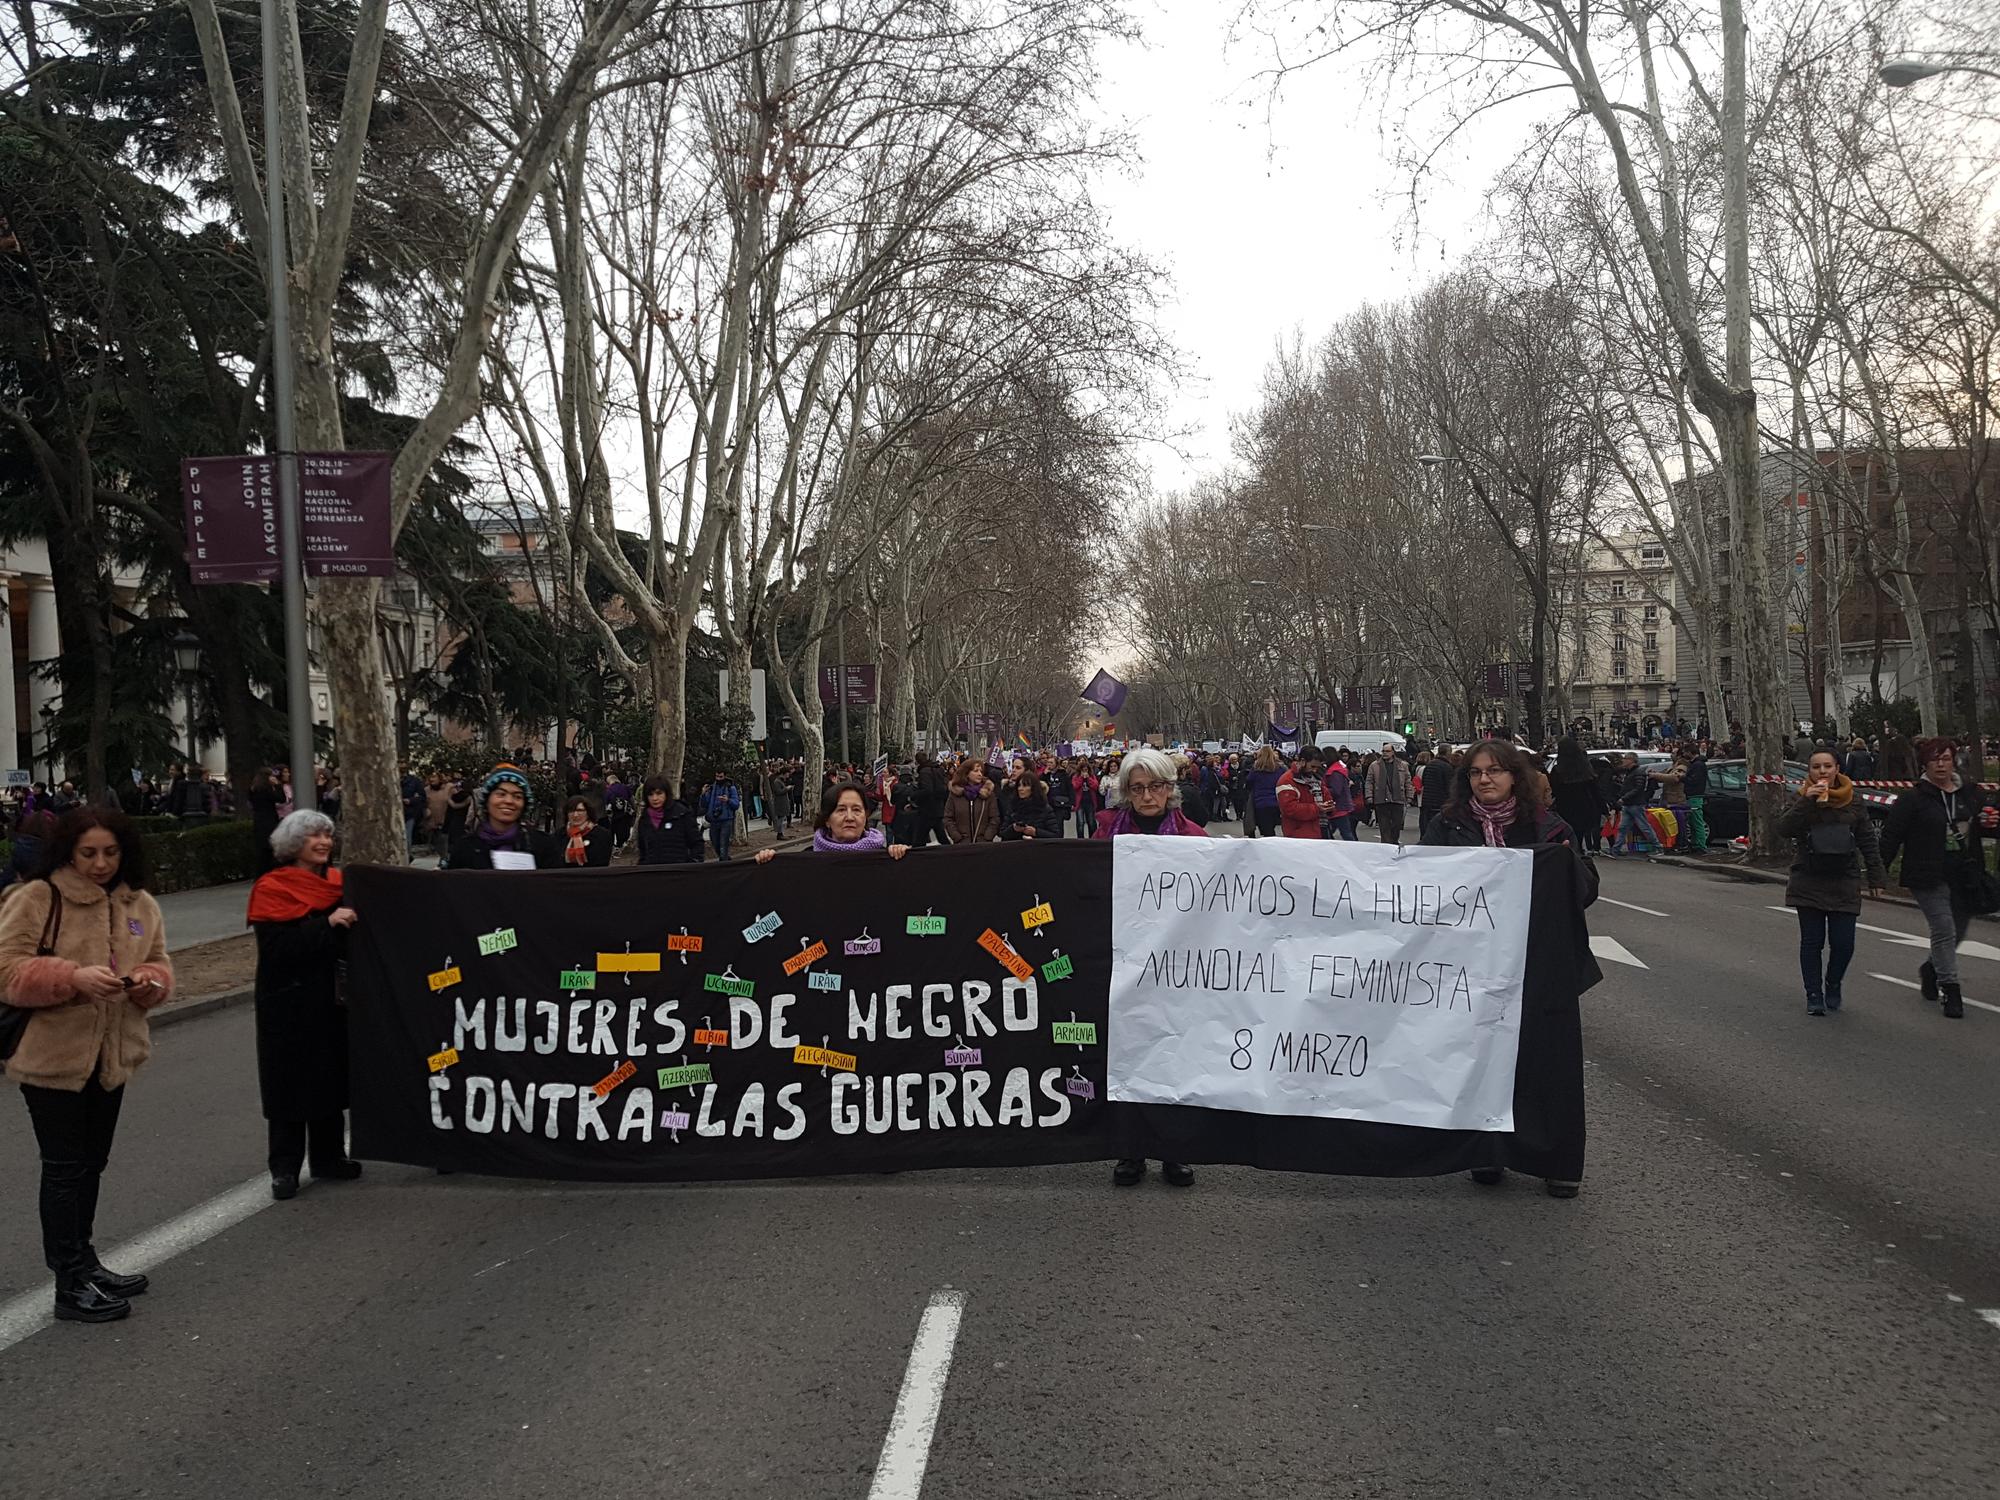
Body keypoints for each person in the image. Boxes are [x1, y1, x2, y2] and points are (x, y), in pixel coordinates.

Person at [0, 808, 173, 1323]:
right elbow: (6, 971)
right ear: (68, 853)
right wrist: (71, 977)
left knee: (90, 1164)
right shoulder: (37, 897)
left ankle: (86, 1261)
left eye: (111, 852)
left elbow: (161, 962)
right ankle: (68, 1282)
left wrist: (149, 981)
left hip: (111, 1056)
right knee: (64, 1168)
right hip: (51, 1057)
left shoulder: (139, 903)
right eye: (88, 853)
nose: (100, 864)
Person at [1421, 739, 1597, 1199]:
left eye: (1495, 771)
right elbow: (1421, 886)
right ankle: (1486, 1151)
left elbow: (1587, 888)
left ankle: (1556, 1161)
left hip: (1538, 965)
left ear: (1514, 776)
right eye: (1477, 772)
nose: (1485, 779)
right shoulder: (1447, 826)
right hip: (1472, 968)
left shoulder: (1547, 826)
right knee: (1479, 1061)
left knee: (1545, 1063)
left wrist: (1559, 866)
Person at [1091, 748, 1201, 1188]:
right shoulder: (1105, 837)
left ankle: (1175, 1151)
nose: (1147, 795)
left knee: (1174, 1055)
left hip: (1176, 969)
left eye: (1155, 786)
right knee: (1128, 1058)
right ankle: (1131, 1150)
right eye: (1137, 788)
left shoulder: (1195, 839)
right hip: (1123, 966)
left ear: (1169, 789)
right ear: (1126, 793)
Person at [248, 810, 364, 1200]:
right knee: (289, 1084)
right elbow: (279, 949)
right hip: (288, 1001)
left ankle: (329, 1157)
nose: (324, 842)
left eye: (327, 836)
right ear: (293, 843)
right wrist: (327, 925)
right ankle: (284, 1167)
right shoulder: (272, 888)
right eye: (314, 835)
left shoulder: (338, 884)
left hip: (331, 997)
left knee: (329, 1076)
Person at [1880, 737, 1998, 1020]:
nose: (1941, 765)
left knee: (1957, 931)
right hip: (1927, 874)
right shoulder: (1913, 799)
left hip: (1965, 873)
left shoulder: (1971, 793)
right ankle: (1951, 989)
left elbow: (1984, 826)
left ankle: (1931, 968)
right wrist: (1878, 873)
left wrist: (1990, 823)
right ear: (1925, 764)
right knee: (1943, 928)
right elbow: (1891, 836)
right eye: (1935, 760)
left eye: (1946, 758)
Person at [1781, 750, 1887, 1017]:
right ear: (1810, 770)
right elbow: (1783, 828)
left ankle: (1834, 981)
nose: (1822, 771)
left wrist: (1876, 875)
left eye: (1828, 766)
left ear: (1838, 768)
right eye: (1816, 766)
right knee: (1812, 942)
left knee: (1843, 944)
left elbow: (1867, 840)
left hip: (1844, 878)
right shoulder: (1800, 797)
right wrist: (1807, 802)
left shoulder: (1854, 800)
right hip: (1809, 877)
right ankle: (1813, 994)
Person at [756, 780, 914, 862]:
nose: (850, 817)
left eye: (857, 810)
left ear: (865, 816)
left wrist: (903, 859)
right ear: (827, 820)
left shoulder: (885, 857)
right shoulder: (806, 861)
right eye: (841, 810)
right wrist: (768, 865)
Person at [447, 766, 560, 869]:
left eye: (517, 796)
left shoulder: (543, 846)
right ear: (487, 800)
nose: (509, 801)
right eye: (501, 794)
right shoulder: (465, 848)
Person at [1548, 738, 1606, 855]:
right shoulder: (1586, 768)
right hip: (1585, 806)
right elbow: (1595, 791)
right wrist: (1603, 808)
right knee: (1580, 834)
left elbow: (1553, 790)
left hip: (1565, 806)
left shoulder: (1558, 770)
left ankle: (1571, 852)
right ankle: (1579, 851)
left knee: (1567, 833)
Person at [634, 777, 704, 864]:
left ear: (666, 794)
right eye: (650, 794)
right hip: (653, 872)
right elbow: (643, 850)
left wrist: (693, 865)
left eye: (659, 793)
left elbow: (696, 843)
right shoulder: (644, 819)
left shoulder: (682, 813)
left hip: (679, 871)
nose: (655, 798)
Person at [944, 759, 1001, 843]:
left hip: (983, 845)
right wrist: (957, 837)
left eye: (981, 771)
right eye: (976, 771)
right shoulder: (955, 794)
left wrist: (987, 837)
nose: (980, 774)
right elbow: (948, 818)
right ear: (966, 773)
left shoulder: (988, 794)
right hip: (962, 845)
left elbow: (994, 818)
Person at [999, 765, 1060, 841]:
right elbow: (1002, 833)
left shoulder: (1044, 808)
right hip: (1015, 850)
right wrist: (1013, 828)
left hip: (1038, 850)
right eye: (1019, 785)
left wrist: (1036, 832)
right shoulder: (1013, 807)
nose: (1020, 789)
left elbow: (1056, 835)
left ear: (1033, 788)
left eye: (1025, 786)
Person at [1367, 750, 1414, 846]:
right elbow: (1369, 781)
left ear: (1393, 752)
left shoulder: (1402, 765)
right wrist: (1369, 796)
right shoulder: (1375, 765)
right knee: (1384, 827)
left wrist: (1409, 796)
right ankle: (1387, 846)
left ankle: (1394, 843)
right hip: (1381, 799)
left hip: (1398, 799)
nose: (1385, 753)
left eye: (1387, 751)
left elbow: (1408, 781)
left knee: (1396, 826)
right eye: (1383, 751)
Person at [1277, 750, 1324, 839]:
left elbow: (1325, 795)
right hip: (1298, 834)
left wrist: (1329, 806)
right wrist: (1317, 808)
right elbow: (1290, 809)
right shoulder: (1286, 780)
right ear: (1302, 761)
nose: (1315, 770)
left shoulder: (1317, 778)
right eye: (1312, 766)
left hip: (1317, 829)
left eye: (1318, 767)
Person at [558, 795, 615, 867]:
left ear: (588, 813)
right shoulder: (559, 835)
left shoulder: (602, 835)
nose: (575, 815)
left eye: (580, 810)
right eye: (571, 811)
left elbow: (602, 863)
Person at [699, 770, 743, 861]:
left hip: (726, 820)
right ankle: (726, 859)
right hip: (714, 820)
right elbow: (704, 804)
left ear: (725, 776)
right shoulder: (711, 788)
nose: (718, 779)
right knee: (715, 844)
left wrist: (728, 800)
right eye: (717, 776)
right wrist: (703, 794)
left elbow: (736, 804)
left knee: (723, 845)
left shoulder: (730, 788)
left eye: (721, 777)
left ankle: (724, 861)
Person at [1419, 746, 1455, 841]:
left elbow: (1424, 781)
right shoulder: (1447, 767)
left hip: (1427, 800)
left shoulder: (1430, 765)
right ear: (1448, 753)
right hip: (1440, 801)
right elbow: (1449, 785)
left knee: (1427, 825)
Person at [1681, 744, 1710, 854]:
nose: (1684, 754)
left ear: (1690, 752)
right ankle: (1695, 844)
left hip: (1694, 795)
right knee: (1693, 822)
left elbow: (1694, 780)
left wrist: (1683, 778)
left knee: (1697, 822)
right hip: (1693, 795)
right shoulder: (1697, 764)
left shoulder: (1697, 765)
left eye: (1685, 752)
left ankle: (1700, 846)